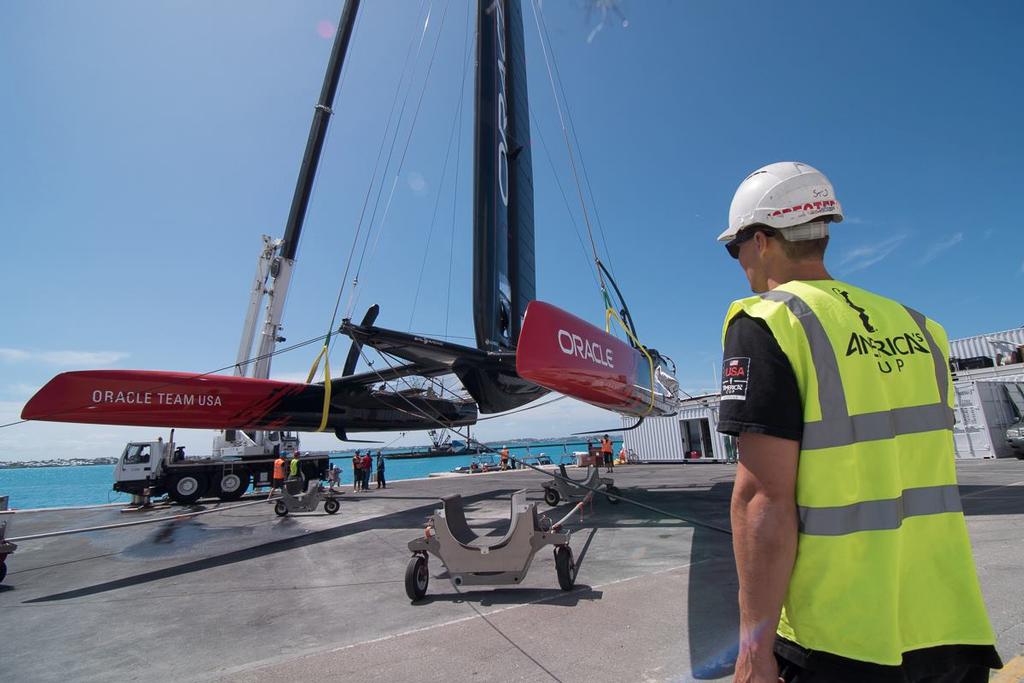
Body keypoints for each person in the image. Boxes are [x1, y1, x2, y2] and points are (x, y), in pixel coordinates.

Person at [716, 162, 1001, 683]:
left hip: (840, 638)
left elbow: (763, 501)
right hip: (948, 623)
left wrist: (754, 650)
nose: (739, 263)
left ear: (760, 241)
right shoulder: (923, 328)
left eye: (733, 249)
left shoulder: (767, 322)